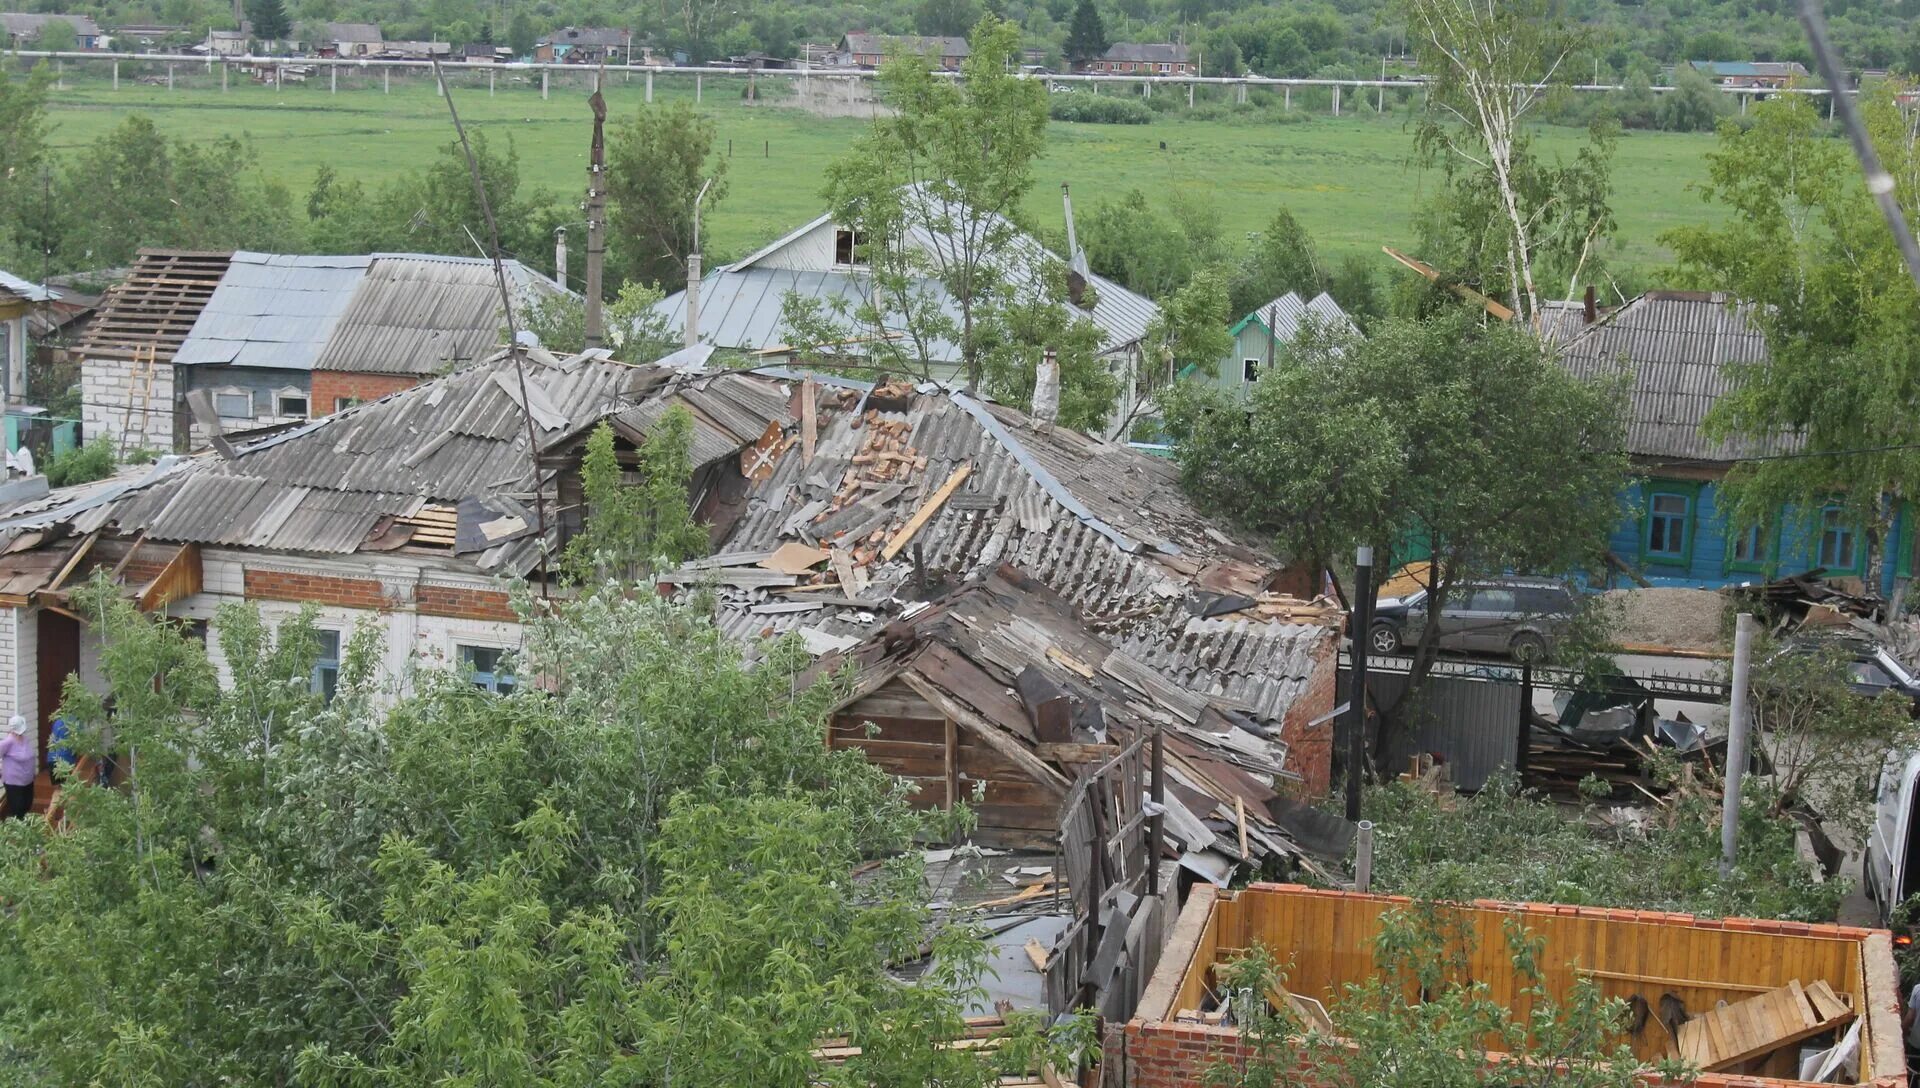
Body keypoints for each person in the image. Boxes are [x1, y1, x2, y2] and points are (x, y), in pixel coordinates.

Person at [0, 715, 36, 819]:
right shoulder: (8, 742)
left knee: (27, 805)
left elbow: (29, 757)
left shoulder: (25, 739)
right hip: (14, 782)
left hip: (28, 780)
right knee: (18, 809)